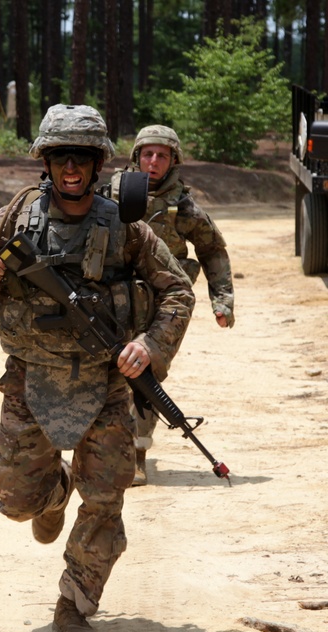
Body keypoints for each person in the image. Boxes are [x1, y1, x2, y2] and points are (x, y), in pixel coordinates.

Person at [0, 105, 195, 632]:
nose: (71, 168)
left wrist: (148, 345)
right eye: (61, 156)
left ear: (97, 164)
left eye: (81, 158)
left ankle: (74, 606)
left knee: (106, 502)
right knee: (16, 501)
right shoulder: (14, 218)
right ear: (46, 160)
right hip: (30, 385)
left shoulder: (125, 228)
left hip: (106, 388)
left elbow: (178, 290)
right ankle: (54, 494)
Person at [103, 125, 235, 485]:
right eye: (147, 154)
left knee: (144, 374)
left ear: (174, 161)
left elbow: (212, 251)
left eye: (162, 155)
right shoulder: (109, 194)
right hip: (111, 299)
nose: (153, 161)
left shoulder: (183, 205)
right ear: (136, 157)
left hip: (163, 303)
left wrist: (221, 300)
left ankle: (135, 455)